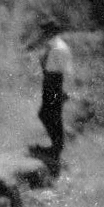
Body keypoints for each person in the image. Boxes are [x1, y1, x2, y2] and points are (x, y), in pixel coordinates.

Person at [33, 17, 72, 157]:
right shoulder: (51, 46)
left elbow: (66, 71)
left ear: (51, 32)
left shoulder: (59, 48)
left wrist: (63, 91)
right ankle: (55, 147)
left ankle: (56, 149)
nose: (42, 33)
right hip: (49, 82)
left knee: (49, 115)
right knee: (48, 115)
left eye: (45, 31)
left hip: (55, 83)